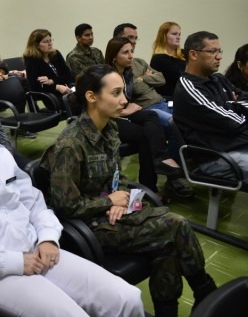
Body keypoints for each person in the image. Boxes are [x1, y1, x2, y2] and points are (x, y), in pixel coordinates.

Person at [0, 83, 144, 317]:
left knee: (127, 298)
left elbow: (34, 201)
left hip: (38, 250)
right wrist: (14, 261)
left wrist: (48, 238)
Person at [46, 64, 217, 316]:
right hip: (88, 227)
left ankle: (167, 310)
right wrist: (108, 202)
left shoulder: (110, 128)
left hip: (113, 212)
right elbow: (65, 206)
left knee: (168, 247)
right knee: (176, 225)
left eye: (123, 92)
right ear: (91, 97)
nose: (124, 100)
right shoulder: (70, 145)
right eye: (115, 93)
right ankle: (205, 291)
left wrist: (122, 199)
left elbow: (116, 178)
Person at [104, 37, 188, 198]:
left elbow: (128, 96)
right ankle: (149, 187)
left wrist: (127, 107)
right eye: (126, 52)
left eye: (131, 51)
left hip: (123, 112)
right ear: (114, 56)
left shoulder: (127, 74)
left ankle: (160, 160)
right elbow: (100, 105)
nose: (131, 56)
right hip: (108, 118)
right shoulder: (107, 75)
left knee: (150, 116)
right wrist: (124, 111)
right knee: (145, 137)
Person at [174, 31, 248, 183]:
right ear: (193, 55)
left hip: (236, 145)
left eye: (219, 51)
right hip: (217, 158)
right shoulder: (189, 88)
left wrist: (230, 105)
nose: (219, 56)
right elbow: (233, 122)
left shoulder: (218, 79)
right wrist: (233, 105)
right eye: (212, 51)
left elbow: (243, 99)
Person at [23, 29, 74, 107]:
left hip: (67, 89)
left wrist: (52, 81)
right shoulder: (31, 60)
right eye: (46, 42)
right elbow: (36, 87)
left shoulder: (56, 54)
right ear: (36, 45)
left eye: (50, 40)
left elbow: (68, 76)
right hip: (52, 97)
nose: (50, 44)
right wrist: (56, 87)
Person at [150, 22, 185, 98]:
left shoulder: (184, 54)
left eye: (179, 34)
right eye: (174, 34)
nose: (178, 37)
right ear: (164, 36)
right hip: (169, 99)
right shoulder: (158, 58)